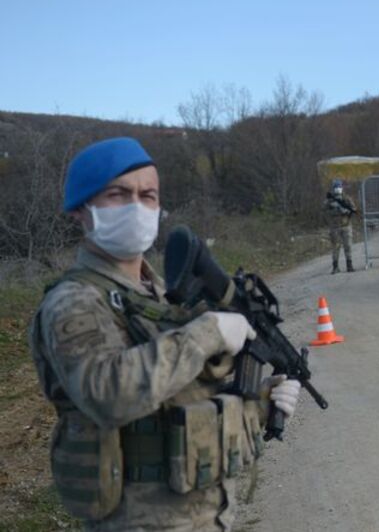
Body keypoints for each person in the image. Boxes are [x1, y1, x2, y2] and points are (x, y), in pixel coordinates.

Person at [29, 137, 302, 531]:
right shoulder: (74, 301)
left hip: (205, 516)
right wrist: (205, 334)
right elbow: (109, 394)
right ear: (80, 209)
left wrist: (260, 405)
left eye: (148, 195)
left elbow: (178, 399)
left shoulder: (157, 294)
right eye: (118, 194)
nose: (137, 207)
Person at [326, 179, 356, 273]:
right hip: (335, 227)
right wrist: (334, 209)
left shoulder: (346, 198)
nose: (337, 189)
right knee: (335, 247)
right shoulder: (330, 200)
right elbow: (325, 210)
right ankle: (335, 267)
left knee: (348, 246)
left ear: (342, 188)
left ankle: (349, 265)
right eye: (336, 187)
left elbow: (353, 209)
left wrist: (346, 211)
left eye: (339, 187)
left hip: (346, 225)